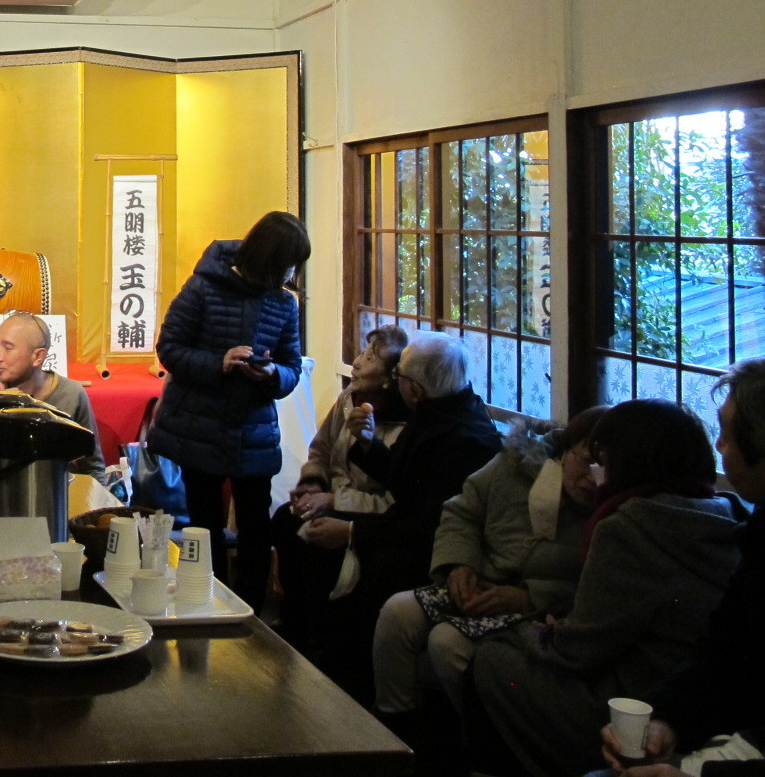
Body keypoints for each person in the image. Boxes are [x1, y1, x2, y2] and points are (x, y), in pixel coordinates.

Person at [469, 399, 744, 777]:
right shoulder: (724, 511)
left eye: (603, 460)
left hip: (636, 704)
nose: (596, 472)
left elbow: (579, 650)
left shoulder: (630, 525)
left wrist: (525, 630)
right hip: (692, 698)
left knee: (491, 658)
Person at [372, 405, 606, 768]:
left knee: (447, 642)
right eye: (586, 460)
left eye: (603, 468)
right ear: (567, 448)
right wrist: (458, 564)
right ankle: (394, 735)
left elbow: (589, 586)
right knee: (397, 613)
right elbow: (460, 512)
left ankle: (486, 748)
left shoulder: (608, 515)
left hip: (535, 614)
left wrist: (529, 597)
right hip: (478, 582)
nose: (592, 478)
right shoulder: (514, 465)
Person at [301, 331, 502, 701]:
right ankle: (315, 656)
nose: (396, 384)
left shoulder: (466, 438)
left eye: (400, 377)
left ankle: (360, 692)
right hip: (406, 525)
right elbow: (404, 477)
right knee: (302, 531)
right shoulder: (439, 410)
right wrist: (369, 444)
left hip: (441, 552)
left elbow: (429, 524)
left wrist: (351, 531)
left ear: (416, 389)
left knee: (381, 567)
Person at [590, 362, 765, 777]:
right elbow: (721, 654)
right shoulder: (756, 528)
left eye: (727, 434)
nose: (719, 446)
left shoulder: (628, 524)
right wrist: (667, 722)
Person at [151, 211, 311, 611]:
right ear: (268, 257)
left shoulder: (284, 302)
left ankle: (249, 614)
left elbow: (292, 367)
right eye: (288, 263)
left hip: (254, 429)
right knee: (204, 528)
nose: (291, 273)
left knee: (257, 529)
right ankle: (206, 605)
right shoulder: (204, 286)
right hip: (198, 426)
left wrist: (273, 374)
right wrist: (219, 362)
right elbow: (169, 348)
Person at [273, 324, 410, 651]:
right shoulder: (349, 398)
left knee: (320, 543)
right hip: (329, 496)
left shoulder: (406, 423)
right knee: (284, 519)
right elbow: (320, 449)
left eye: (370, 358)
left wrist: (333, 499)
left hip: (366, 514)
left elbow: (391, 499)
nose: (357, 362)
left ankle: (323, 641)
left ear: (390, 378)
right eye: (362, 352)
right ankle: (293, 625)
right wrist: (311, 485)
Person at [0, 310, 106, 479]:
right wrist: (6, 410)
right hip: (1, 489)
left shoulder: (71, 393)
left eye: (8, 348)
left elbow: (93, 468)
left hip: (60, 489)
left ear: (38, 357)